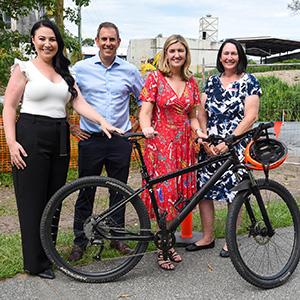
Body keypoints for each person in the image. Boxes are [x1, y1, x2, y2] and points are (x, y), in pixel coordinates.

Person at [2, 20, 122, 280]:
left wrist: (102, 121)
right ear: (33, 40)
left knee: (54, 199)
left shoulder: (65, 71)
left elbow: (79, 102)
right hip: (31, 134)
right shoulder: (24, 68)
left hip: (59, 135)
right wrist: (12, 143)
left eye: (52, 39)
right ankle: (35, 264)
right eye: (42, 38)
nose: (47, 43)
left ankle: (49, 255)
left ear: (58, 43)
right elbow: (10, 108)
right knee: (32, 200)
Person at [68, 22, 143, 261]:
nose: (108, 43)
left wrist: (138, 126)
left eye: (112, 39)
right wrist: (71, 126)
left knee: (119, 192)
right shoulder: (80, 68)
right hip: (91, 139)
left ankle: (117, 238)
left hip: (120, 140)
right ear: (97, 41)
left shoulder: (130, 70)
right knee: (85, 191)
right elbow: (65, 97)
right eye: (104, 39)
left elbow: (144, 101)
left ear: (119, 42)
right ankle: (80, 241)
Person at [185, 39, 261, 257]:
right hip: (210, 144)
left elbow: (251, 116)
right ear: (220, 57)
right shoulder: (211, 82)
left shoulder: (250, 82)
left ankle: (231, 240)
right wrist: (206, 139)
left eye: (233, 54)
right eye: (226, 53)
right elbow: (202, 113)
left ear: (240, 57)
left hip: (235, 145)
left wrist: (228, 141)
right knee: (205, 191)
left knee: (234, 193)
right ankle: (208, 237)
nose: (229, 57)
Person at [139, 34, 207, 270]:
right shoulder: (155, 79)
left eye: (181, 51)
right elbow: (145, 111)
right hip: (160, 145)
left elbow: (192, 116)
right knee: (164, 195)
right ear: (166, 54)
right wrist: (146, 128)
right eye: (172, 51)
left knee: (179, 195)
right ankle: (162, 247)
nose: (177, 55)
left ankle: (169, 243)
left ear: (186, 54)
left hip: (184, 146)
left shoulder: (192, 82)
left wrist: (199, 132)